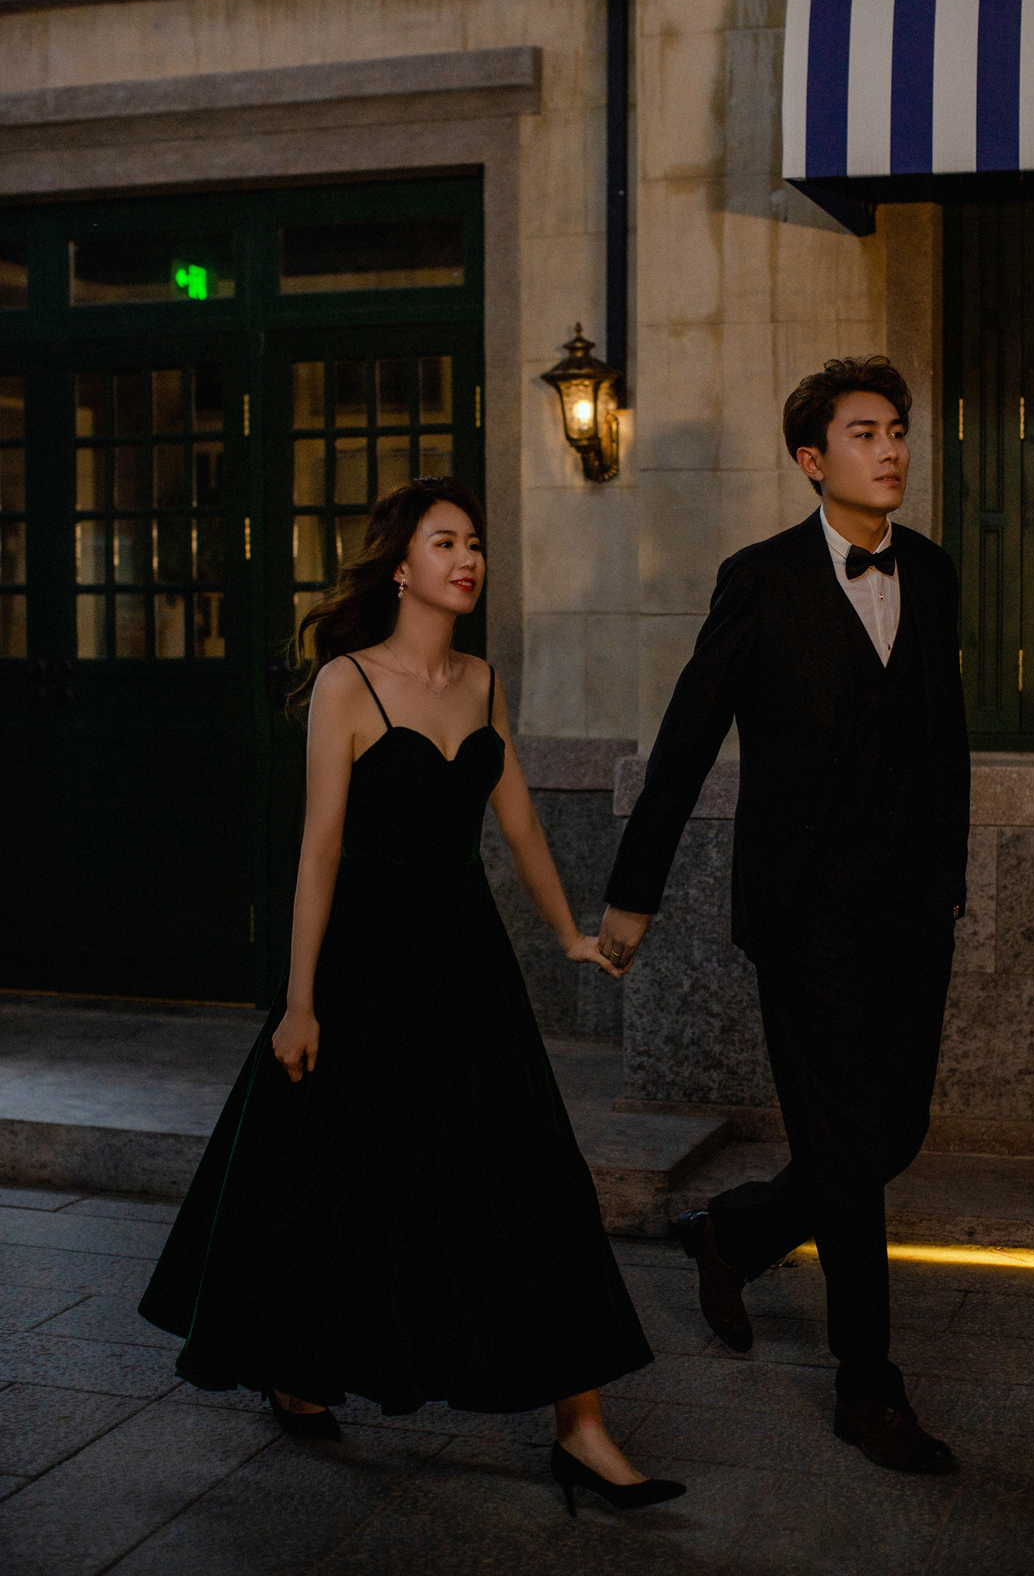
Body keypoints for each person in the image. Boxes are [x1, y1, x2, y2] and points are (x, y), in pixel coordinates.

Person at [139, 476, 684, 1517]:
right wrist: (301, 1002)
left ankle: (582, 1429)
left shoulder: (481, 681)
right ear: (399, 565)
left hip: (468, 967)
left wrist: (568, 932)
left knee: (535, 1178)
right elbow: (319, 851)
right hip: (360, 967)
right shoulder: (346, 681)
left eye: (474, 543)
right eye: (445, 543)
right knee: (328, 1175)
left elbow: (519, 822)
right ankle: (294, 1364)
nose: (467, 559)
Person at [598, 358, 969, 1475]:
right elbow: (687, 737)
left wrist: (948, 880)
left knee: (891, 1136)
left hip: (910, 911)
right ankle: (870, 1390)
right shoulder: (758, 581)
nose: (891, 450)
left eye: (897, 431)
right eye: (865, 433)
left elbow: (942, 738)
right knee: (846, 1152)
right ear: (813, 460)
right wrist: (633, 892)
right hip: (805, 917)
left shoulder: (933, 571)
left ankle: (734, 1231)